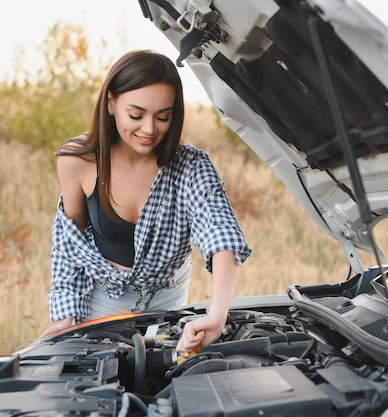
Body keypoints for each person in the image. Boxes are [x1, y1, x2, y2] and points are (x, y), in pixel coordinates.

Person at [42, 50, 251, 357]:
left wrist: (218, 313)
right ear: (111, 103)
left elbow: (221, 234)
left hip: (167, 296)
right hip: (102, 295)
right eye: (136, 115)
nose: (150, 129)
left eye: (163, 117)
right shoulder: (79, 160)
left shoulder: (192, 167)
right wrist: (65, 311)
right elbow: (69, 241)